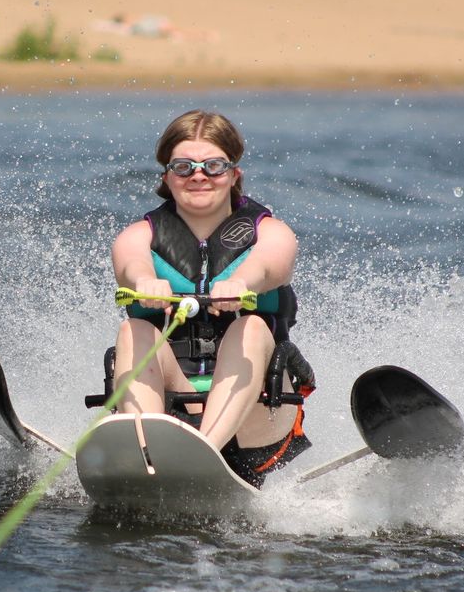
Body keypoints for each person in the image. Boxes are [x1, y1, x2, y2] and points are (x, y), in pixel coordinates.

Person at [111, 109, 314, 486]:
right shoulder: (138, 236)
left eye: (214, 166)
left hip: (257, 417)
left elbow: (273, 266)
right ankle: (148, 454)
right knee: (134, 332)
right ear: (167, 177)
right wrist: (145, 281)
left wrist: (242, 281)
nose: (198, 175)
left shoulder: (271, 232)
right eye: (184, 167)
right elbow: (130, 265)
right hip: (176, 406)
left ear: (234, 174)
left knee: (250, 328)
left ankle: (202, 454)